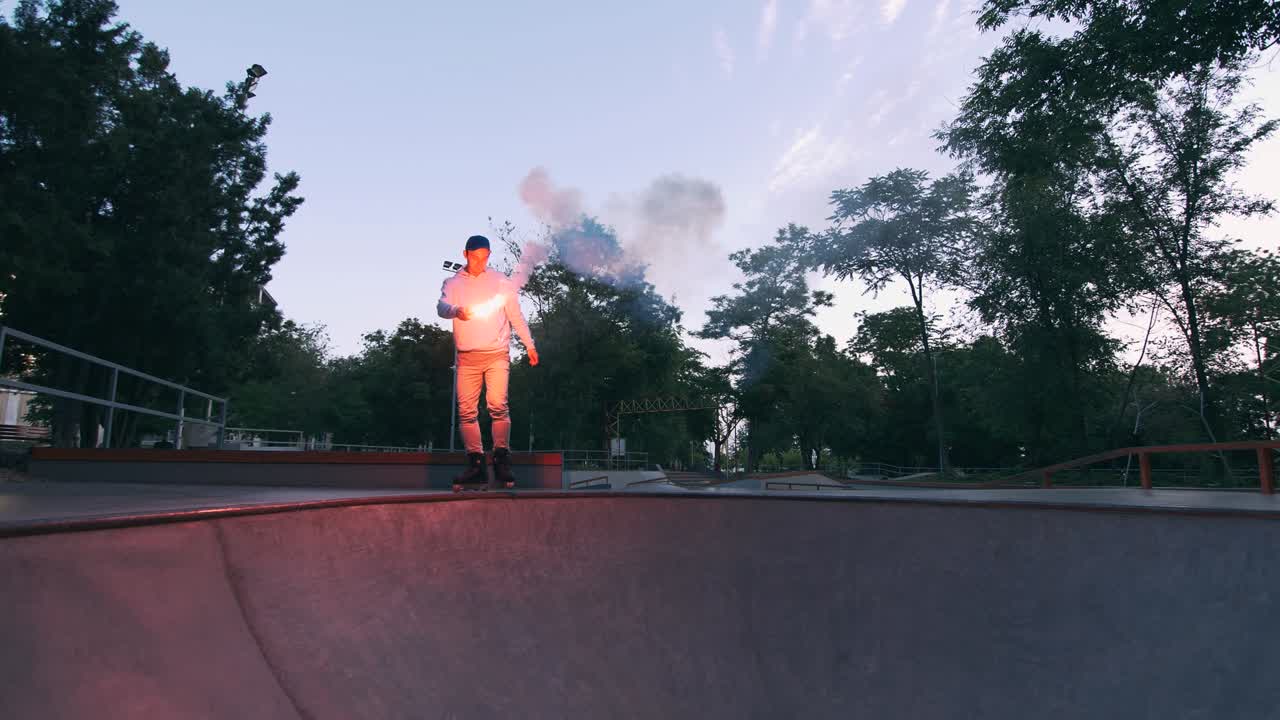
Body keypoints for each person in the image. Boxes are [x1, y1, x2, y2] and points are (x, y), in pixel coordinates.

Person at [437, 234, 539, 487]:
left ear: (489, 256)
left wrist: (529, 345)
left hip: (496, 354)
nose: (480, 262)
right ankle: (476, 464)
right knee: (466, 412)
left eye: (485, 257)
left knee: (497, 404)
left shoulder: (500, 281)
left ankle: (501, 458)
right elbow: (441, 307)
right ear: (466, 254)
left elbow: (515, 315)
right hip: (467, 357)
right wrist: (456, 311)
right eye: (475, 257)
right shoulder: (452, 283)